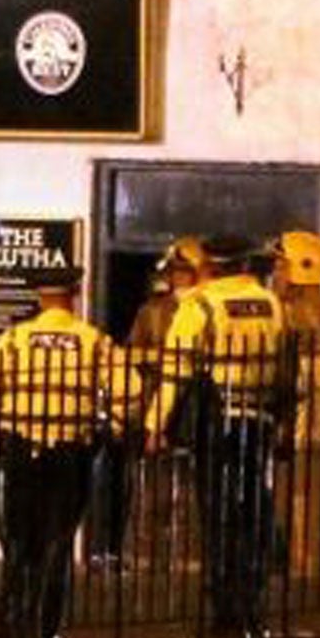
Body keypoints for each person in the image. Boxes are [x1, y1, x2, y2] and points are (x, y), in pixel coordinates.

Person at [0, 265, 132, 638]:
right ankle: (46, 632)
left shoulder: (13, 339)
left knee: (19, 540)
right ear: (75, 293)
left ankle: (11, 630)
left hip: (21, 449)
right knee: (58, 541)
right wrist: (107, 428)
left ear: (38, 296)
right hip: (69, 451)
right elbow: (129, 390)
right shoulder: (93, 340)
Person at [147, 236, 289, 638]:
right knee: (253, 511)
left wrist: (156, 424)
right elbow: (282, 365)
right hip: (257, 418)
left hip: (216, 419)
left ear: (210, 264)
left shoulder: (201, 304)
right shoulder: (271, 303)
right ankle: (253, 604)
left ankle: (224, 608)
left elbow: (177, 370)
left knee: (218, 517)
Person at [107, 235, 207, 563]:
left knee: (170, 491)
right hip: (184, 410)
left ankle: (156, 557)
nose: (176, 277)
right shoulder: (160, 310)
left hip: (171, 409)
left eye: (181, 270)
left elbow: (132, 358)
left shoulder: (160, 310)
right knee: (165, 491)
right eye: (174, 271)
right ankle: (164, 557)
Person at [273, 230, 320, 581]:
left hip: (305, 424)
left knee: (300, 503)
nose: (275, 273)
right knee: (303, 500)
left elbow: (292, 376)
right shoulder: (318, 308)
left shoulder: (300, 311)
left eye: (280, 265)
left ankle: (305, 574)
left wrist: (283, 421)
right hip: (314, 422)